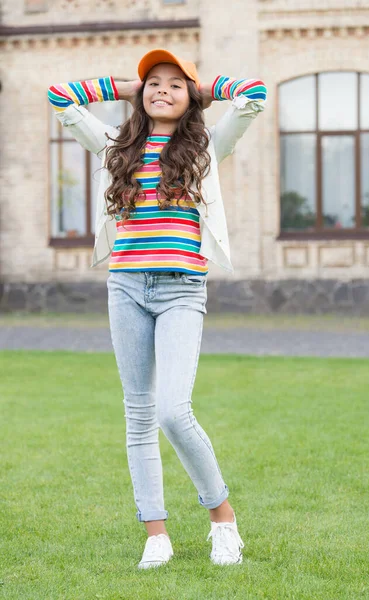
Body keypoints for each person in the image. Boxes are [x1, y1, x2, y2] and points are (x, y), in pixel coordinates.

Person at [47, 48, 267, 569]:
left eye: (174, 83)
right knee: (139, 415)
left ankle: (222, 518)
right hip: (125, 287)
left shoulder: (206, 146)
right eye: (154, 82)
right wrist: (131, 88)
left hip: (182, 290)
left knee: (173, 409)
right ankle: (156, 534)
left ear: (190, 95)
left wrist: (198, 89)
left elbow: (253, 93)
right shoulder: (114, 146)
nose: (161, 89)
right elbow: (60, 97)